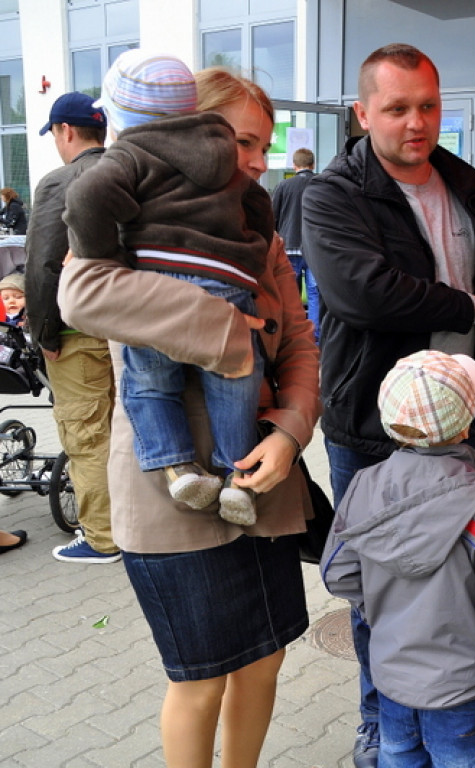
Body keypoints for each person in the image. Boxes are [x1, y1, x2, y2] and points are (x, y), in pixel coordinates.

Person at [58, 67, 320, 768]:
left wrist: (292, 433)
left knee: (265, 660)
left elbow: (298, 341)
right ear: (186, 135)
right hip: (166, 494)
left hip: (259, 480)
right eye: (243, 142)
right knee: (200, 680)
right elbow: (77, 295)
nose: (259, 162)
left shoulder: (254, 227)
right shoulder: (132, 231)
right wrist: (233, 331)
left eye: (265, 146)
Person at [302, 42, 475, 768]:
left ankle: (472, 691)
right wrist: (474, 307)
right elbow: (363, 292)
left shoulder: (463, 183)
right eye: (397, 108)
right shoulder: (333, 195)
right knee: (374, 588)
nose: (417, 121)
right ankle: (380, 717)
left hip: (455, 420)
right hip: (372, 424)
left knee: (467, 572)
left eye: (429, 106)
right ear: (362, 113)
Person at [64, 50, 274, 526]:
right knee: (238, 379)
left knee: (150, 383)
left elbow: (85, 198)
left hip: (156, 271)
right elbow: (260, 203)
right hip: (227, 281)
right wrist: (248, 256)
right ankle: (233, 478)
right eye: (246, 142)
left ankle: (177, 467)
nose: (257, 161)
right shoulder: (227, 170)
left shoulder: (130, 155)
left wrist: (106, 254)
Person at [322, 349, 475, 768]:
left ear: (391, 423)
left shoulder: (364, 486)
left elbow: (338, 573)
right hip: (463, 688)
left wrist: (378, 613)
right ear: (465, 426)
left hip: (391, 677)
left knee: (398, 758)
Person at [24, 90, 119, 565]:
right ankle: (135, 524)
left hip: (77, 331)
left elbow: (43, 263)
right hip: (126, 329)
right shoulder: (126, 170)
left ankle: (102, 538)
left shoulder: (61, 180)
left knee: (87, 435)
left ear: (65, 131)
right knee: (124, 429)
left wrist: (43, 334)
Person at [272, 147, 320, 341]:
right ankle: (314, 336)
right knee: (314, 292)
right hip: (314, 248)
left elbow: (273, 216)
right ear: (313, 164)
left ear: (294, 165)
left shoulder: (284, 186)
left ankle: (293, 335)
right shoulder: (321, 184)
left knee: (291, 293)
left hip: (289, 245)